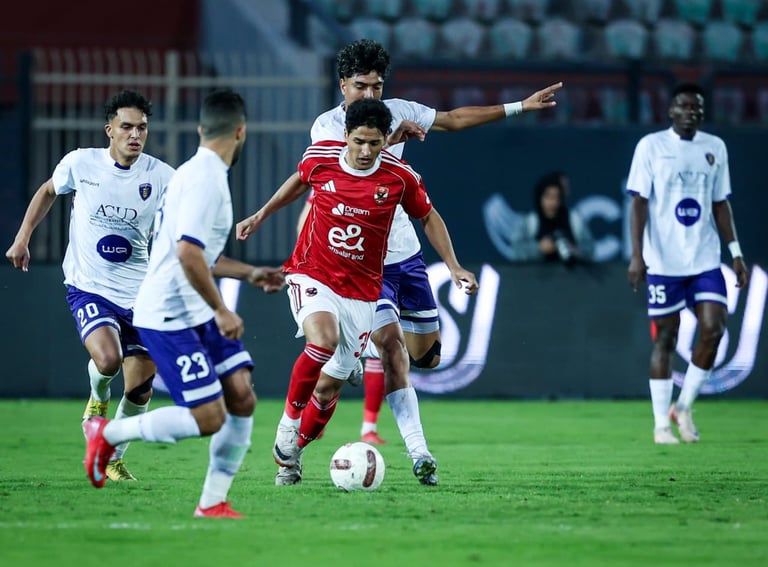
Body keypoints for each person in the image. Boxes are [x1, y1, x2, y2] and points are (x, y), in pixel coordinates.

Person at [290, 38, 562, 450]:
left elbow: (453, 119)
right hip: (360, 258)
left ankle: (356, 354)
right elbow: (351, 170)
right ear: (342, 85)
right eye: (361, 86)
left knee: (427, 357)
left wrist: (519, 106)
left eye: (377, 86)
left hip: (405, 253)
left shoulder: (399, 110)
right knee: (389, 345)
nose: (370, 95)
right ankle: (395, 441)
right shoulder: (327, 128)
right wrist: (391, 138)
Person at [236, 98, 478, 486]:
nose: (365, 152)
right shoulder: (321, 158)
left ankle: (294, 455)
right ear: (346, 135)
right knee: (322, 341)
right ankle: (287, 425)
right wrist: (261, 214)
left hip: (363, 291)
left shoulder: (400, 178)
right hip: (313, 274)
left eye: (374, 144)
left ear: (386, 141)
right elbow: (299, 179)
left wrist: (453, 265)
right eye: (359, 142)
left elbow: (428, 216)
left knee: (329, 387)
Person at [81, 88, 285, 518]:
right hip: (170, 315)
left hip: (191, 308)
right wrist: (222, 310)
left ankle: (212, 502)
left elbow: (197, 252)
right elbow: (188, 254)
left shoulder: (192, 172)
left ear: (200, 129)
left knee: (242, 396)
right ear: (241, 132)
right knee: (209, 417)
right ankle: (108, 434)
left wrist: (248, 273)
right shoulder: (206, 180)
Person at [5, 90, 175, 481]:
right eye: (127, 127)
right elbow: (48, 191)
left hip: (141, 293)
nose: (135, 135)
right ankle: (97, 400)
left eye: (142, 128)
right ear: (109, 130)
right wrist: (22, 237)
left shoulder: (162, 176)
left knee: (141, 389)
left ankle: (112, 456)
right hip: (90, 285)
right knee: (108, 360)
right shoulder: (81, 163)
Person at [625, 83, 749, 445]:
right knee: (665, 339)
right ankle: (660, 425)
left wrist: (735, 252)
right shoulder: (651, 146)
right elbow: (638, 203)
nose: (691, 112)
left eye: (697, 107)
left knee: (714, 328)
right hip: (664, 262)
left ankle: (683, 406)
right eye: (684, 106)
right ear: (671, 111)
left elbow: (720, 204)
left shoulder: (715, 147)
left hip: (704, 258)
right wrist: (637, 255)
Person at [483, 172, 594, 263]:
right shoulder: (530, 222)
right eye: (548, 197)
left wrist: (575, 251)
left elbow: (590, 249)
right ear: (540, 198)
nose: (553, 202)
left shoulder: (575, 220)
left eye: (556, 197)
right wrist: (539, 248)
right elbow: (516, 251)